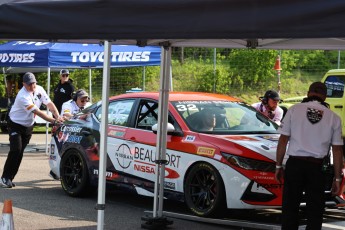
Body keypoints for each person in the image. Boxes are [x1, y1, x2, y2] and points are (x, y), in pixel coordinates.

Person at [275, 82, 344, 230]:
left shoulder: (293, 110)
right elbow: (337, 151)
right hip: (317, 168)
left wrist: (278, 166)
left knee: (290, 207)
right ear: (325, 96)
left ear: (308, 93)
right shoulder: (334, 118)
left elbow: (283, 140)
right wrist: (337, 178)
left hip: (295, 165)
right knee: (315, 211)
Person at [1, 72, 64, 188]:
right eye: (29, 84)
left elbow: (49, 103)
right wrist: (54, 121)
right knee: (16, 149)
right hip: (15, 124)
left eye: (34, 83)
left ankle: (9, 178)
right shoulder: (22, 96)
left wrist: (57, 116)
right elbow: (38, 112)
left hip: (28, 126)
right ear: (24, 84)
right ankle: (5, 177)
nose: (32, 86)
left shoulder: (39, 89)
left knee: (20, 153)